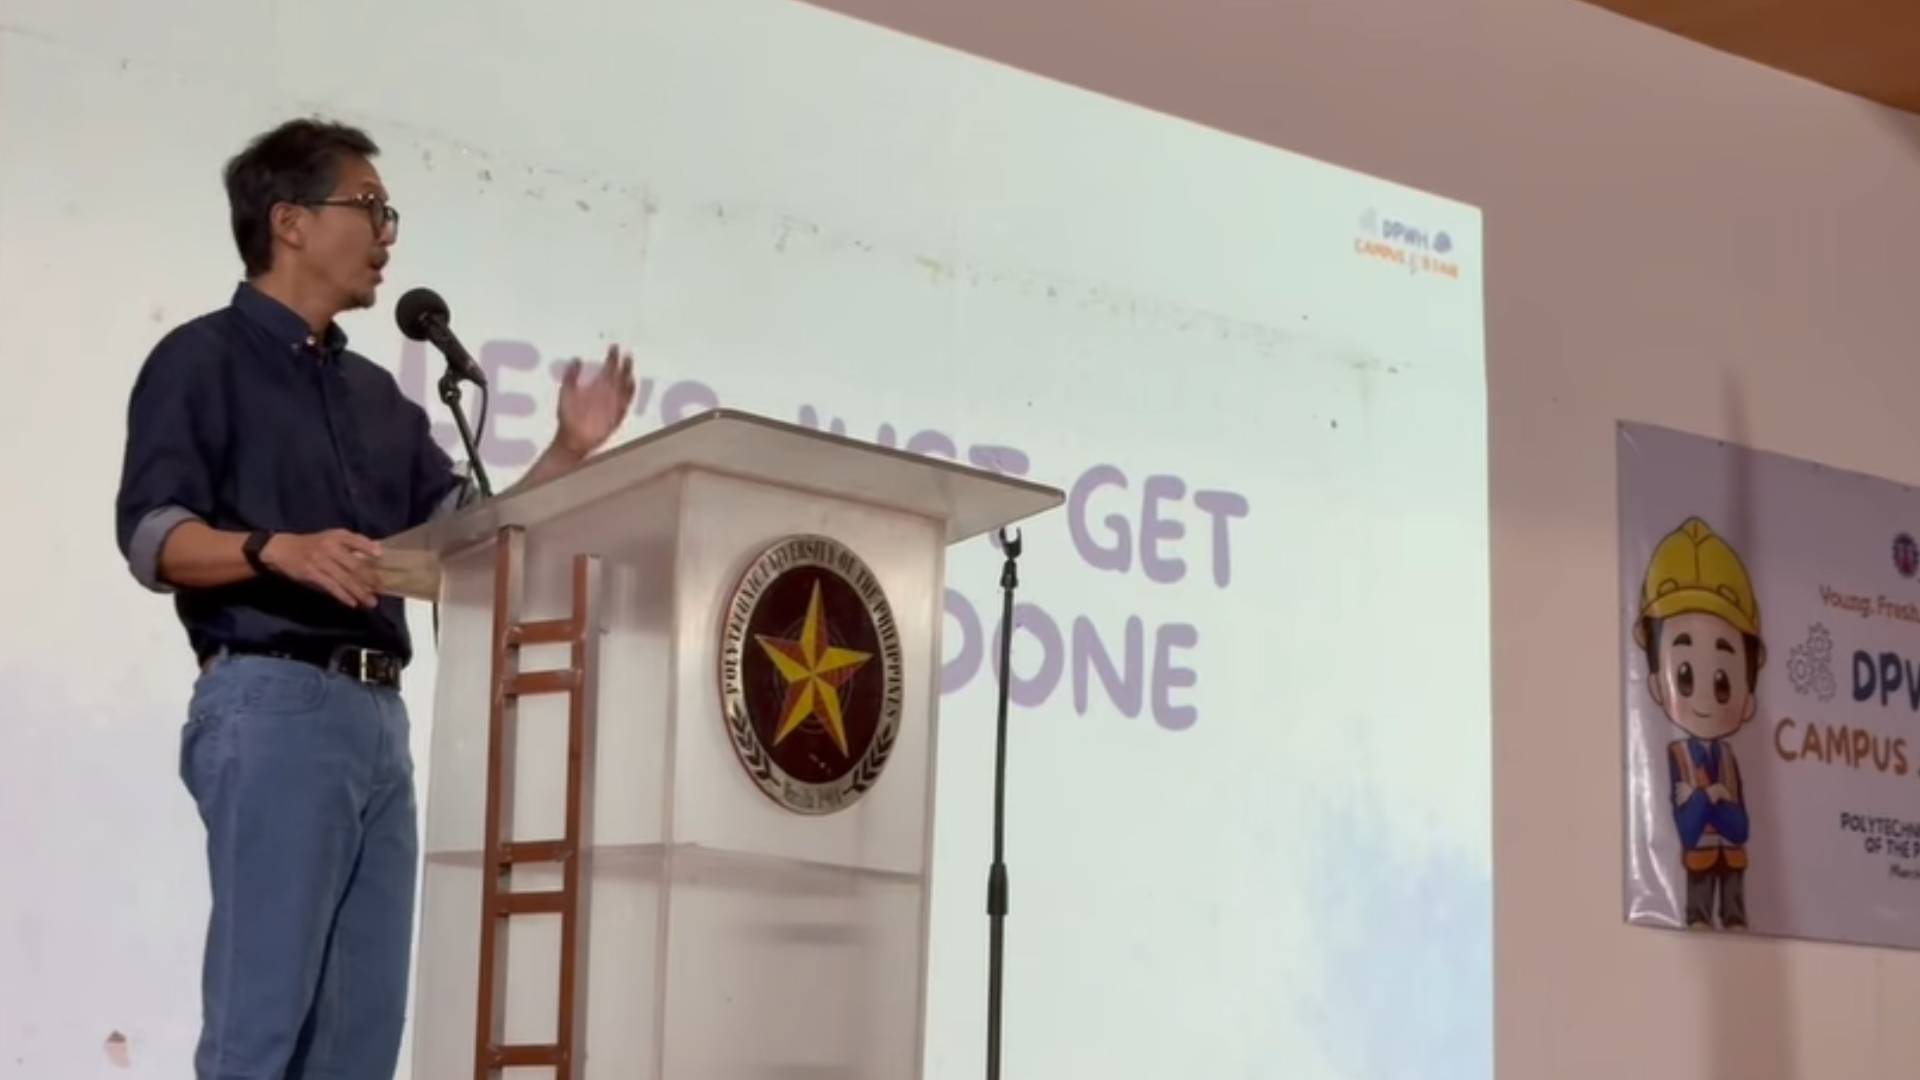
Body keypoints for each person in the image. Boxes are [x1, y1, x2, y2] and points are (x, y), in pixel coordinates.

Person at [113, 117, 635, 1079]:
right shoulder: (202, 359)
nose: (389, 234)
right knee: (259, 1031)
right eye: (370, 207)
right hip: (273, 698)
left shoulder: (376, 396)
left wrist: (568, 452)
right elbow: (152, 536)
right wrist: (276, 550)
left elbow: (469, 539)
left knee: (360, 1042)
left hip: (379, 722)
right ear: (290, 222)